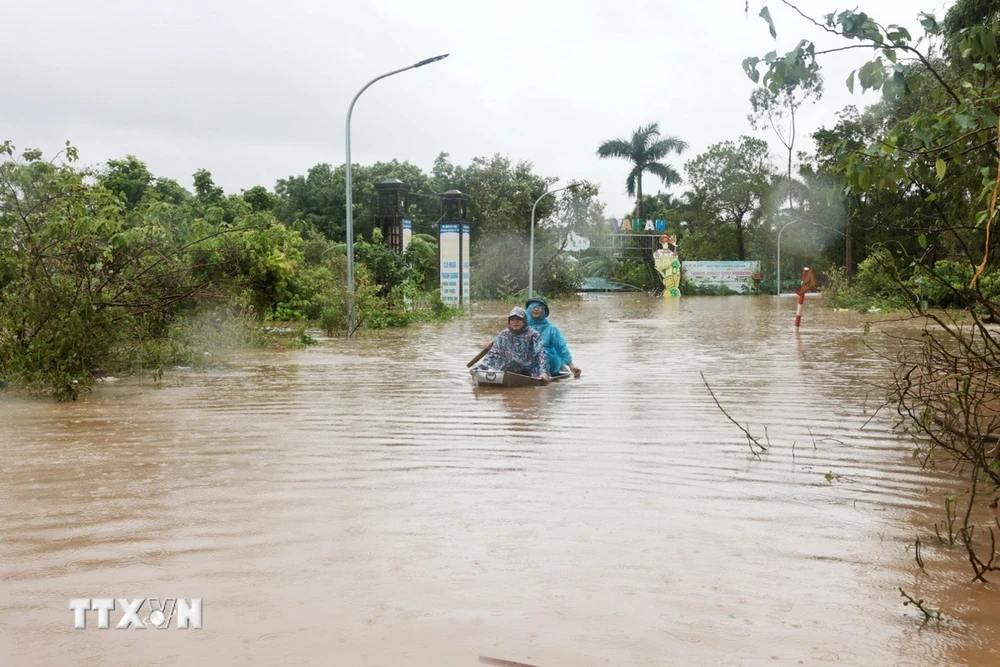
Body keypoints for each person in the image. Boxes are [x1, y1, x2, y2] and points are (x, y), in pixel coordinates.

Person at [472, 306, 550, 381]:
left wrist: (543, 372)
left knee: (513, 365)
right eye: (513, 319)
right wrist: (480, 368)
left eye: (519, 319)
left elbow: (541, 355)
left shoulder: (533, 335)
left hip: (528, 371)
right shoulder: (504, 335)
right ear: (509, 321)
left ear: (524, 321)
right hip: (505, 369)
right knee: (478, 367)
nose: (515, 322)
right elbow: (493, 354)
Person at [524, 296, 582, 378]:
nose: (536, 309)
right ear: (529, 310)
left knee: (543, 354)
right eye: (533, 307)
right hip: (526, 360)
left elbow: (561, 347)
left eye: (539, 307)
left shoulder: (551, 329)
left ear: (544, 311)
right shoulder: (522, 327)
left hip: (548, 360)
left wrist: (571, 366)